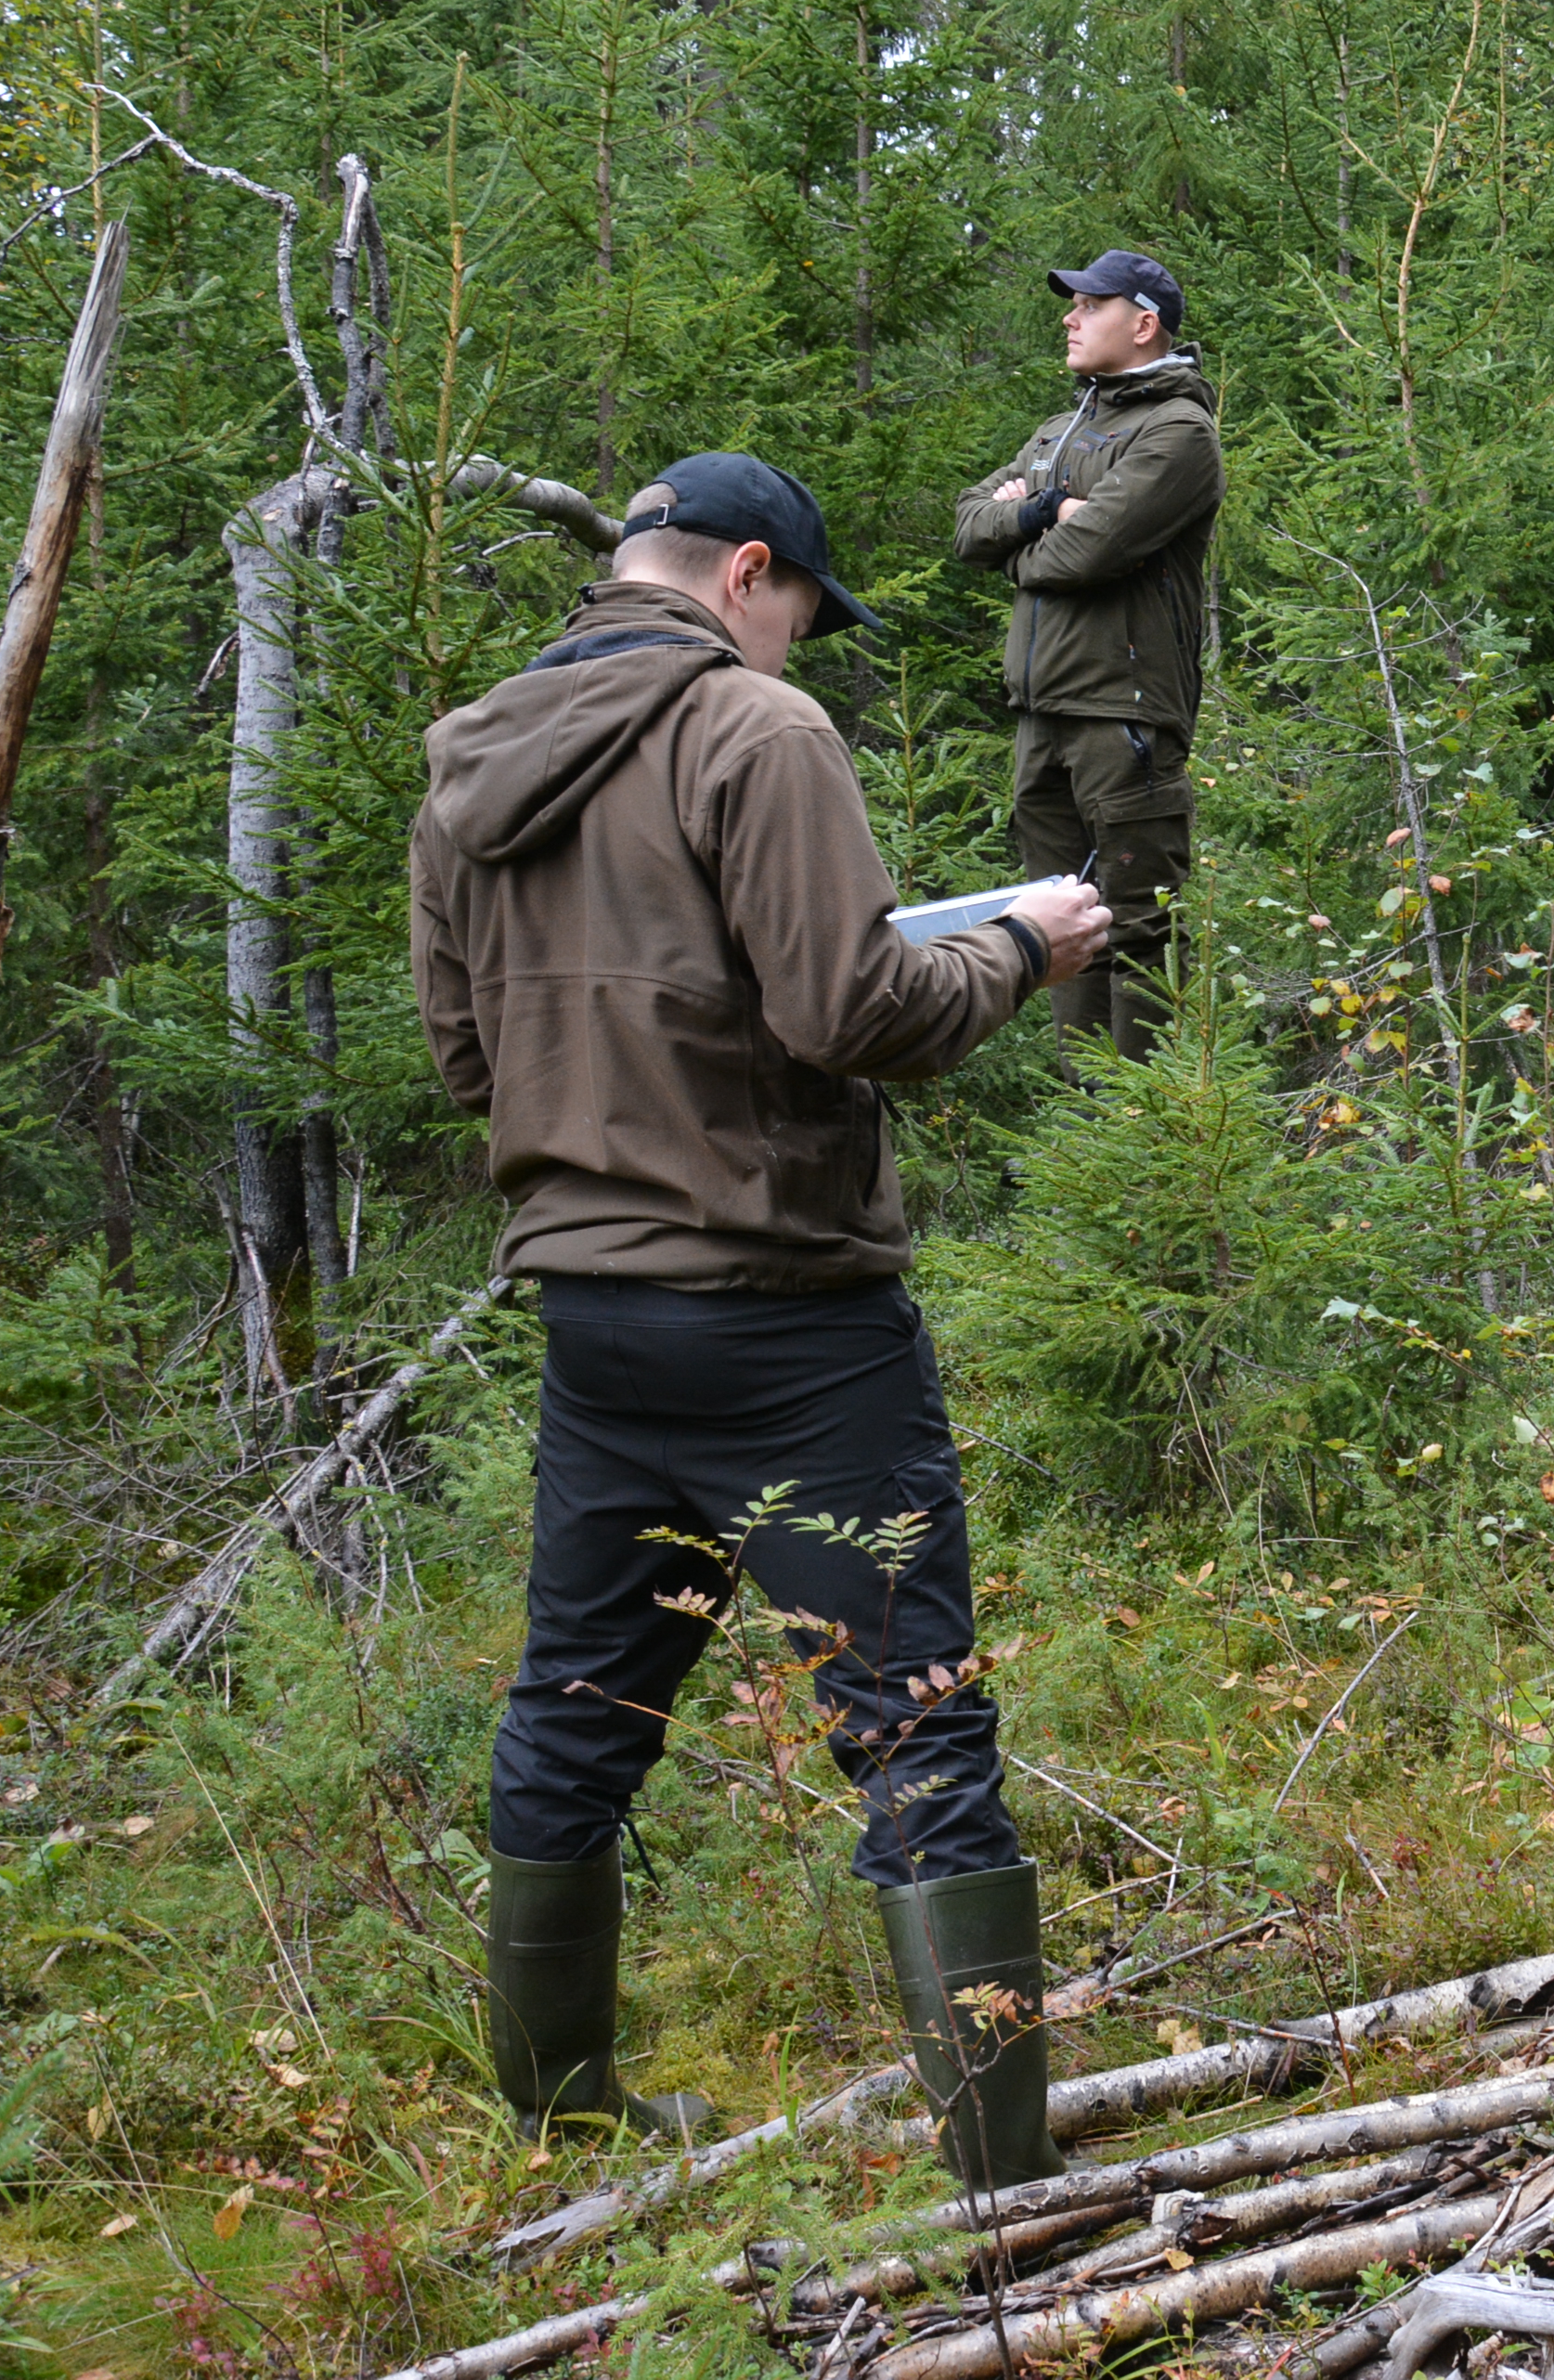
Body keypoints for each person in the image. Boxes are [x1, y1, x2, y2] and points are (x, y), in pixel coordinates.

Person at [409, 454, 1110, 2191]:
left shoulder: (470, 759)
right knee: (915, 1717)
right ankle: (1010, 2202)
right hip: (791, 1329)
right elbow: (856, 1006)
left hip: (595, 1325)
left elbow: (463, 1059)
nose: (795, 645)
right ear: (742, 573)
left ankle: (563, 2124)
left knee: (577, 1707)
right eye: (798, 608)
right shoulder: (756, 736)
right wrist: (1018, 947)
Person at [954, 249, 1222, 1061]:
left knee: (1136, 928)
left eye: (1088, 306)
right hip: (1044, 716)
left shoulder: (1180, 432)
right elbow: (969, 525)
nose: (1068, 319)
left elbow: (1084, 557)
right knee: (1059, 927)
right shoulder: (1062, 428)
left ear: (1144, 325)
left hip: (1124, 713)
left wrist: (1026, 535)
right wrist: (1047, 509)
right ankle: (1086, 1136)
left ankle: (1146, 1132)